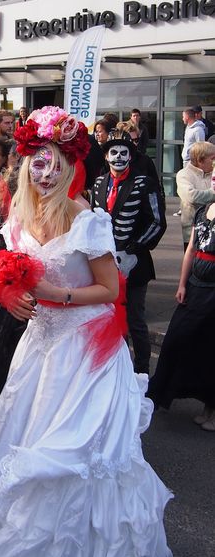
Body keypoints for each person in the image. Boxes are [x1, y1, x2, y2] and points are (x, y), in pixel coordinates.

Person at [0, 106, 172, 557]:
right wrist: (12, 294)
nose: (43, 173)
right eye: (35, 163)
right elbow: (10, 278)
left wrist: (52, 294)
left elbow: (111, 290)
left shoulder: (89, 221)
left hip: (85, 352)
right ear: (25, 166)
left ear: (69, 167)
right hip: (38, 348)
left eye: (52, 163)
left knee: (75, 457)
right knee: (16, 439)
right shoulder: (18, 219)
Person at [92, 130, 166, 375]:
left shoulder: (144, 183)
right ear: (106, 156)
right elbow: (93, 220)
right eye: (114, 152)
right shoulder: (100, 183)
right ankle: (115, 370)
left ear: (131, 157)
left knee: (135, 320)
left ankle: (141, 371)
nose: (119, 157)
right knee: (108, 318)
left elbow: (157, 222)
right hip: (105, 264)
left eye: (124, 153)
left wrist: (134, 249)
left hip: (135, 264)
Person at [148, 160, 215, 431]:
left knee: (210, 350)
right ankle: (162, 394)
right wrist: (182, 284)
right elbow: (190, 250)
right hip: (196, 287)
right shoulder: (204, 210)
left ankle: (212, 409)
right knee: (179, 339)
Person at [176, 141, 215, 249]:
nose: (214, 161)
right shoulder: (184, 175)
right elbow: (192, 197)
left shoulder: (213, 172)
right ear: (200, 160)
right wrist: (212, 193)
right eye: (212, 158)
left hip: (214, 232)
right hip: (193, 234)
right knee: (194, 265)